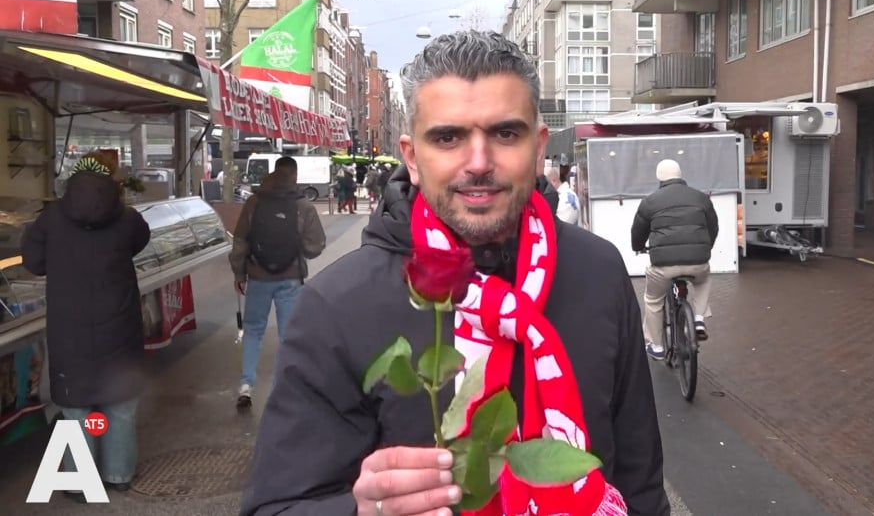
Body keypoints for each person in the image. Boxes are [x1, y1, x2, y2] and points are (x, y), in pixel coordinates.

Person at [240, 31, 669, 515]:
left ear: (539, 145)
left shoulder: (599, 271)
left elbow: (640, 480)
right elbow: (276, 506)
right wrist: (361, 512)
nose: (479, 163)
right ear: (411, 156)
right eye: (448, 137)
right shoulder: (336, 307)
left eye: (506, 133)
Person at [21, 152, 151, 500]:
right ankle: (118, 474)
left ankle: (80, 484)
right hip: (119, 322)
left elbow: (32, 263)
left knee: (77, 405)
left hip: (69, 325)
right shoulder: (127, 217)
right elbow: (140, 242)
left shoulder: (50, 218)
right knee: (119, 402)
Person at [229, 156, 326, 408]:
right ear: (294, 175)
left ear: (273, 173)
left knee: (252, 330)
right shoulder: (303, 206)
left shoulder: (253, 202)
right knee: (288, 334)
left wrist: (239, 274)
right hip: (290, 278)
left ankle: (246, 385)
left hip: (258, 276)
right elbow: (316, 247)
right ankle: (281, 388)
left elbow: (240, 241)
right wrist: (296, 247)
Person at [631, 159, 718, 360]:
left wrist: (638, 247)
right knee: (703, 280)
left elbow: (638, 232)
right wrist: (706, 246)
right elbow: (713, 226)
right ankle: (698, 319)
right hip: (698, 261)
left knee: (653, 300)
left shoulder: (650, 201)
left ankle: (657, 346)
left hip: (663, 266)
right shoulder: (701, 198)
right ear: (680, 174)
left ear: (659, 177)